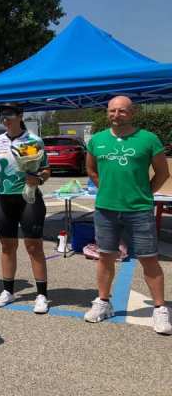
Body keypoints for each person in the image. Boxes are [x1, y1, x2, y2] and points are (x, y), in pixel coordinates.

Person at [84, 96, 171, 334]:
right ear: (107, 113)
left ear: (132, 113)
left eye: (122, 111)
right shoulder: (98, 140)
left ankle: (160, 309)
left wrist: (145, 193)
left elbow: (162, 173)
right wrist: (106, 188)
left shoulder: (148, 139)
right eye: (112, 110)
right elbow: (91, 169)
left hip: (139, 209)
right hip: (106, 209)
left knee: (149, 258)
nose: (116, 115)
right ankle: (103, 302)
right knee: (105, 257)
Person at [0, 103, 51, 313]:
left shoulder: (34, 140)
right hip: (3, 199)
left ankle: (41, 295)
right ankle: (8, 291)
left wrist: (39, 179)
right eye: (2, 115)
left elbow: (46, 170)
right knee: (7, 246)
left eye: (9, 115)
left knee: (34, 247)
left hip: (28, 199)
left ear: (20, 116)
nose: (5, 119)